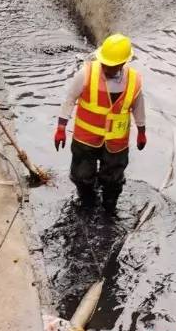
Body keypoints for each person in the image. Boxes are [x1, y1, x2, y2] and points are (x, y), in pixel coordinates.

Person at [54, 34, 146, 214]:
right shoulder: (86, 73)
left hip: (116, 143)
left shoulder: (134, 80)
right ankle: (87, 203)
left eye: (111, 65)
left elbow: (138, 107)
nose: (106, 67)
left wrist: (142, 132)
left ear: (122, 63)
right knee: (81, 177)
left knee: (113, 181)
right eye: (104, 63)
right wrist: (61, 128)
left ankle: (109, 209)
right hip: (86, 140)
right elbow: (70, 99)